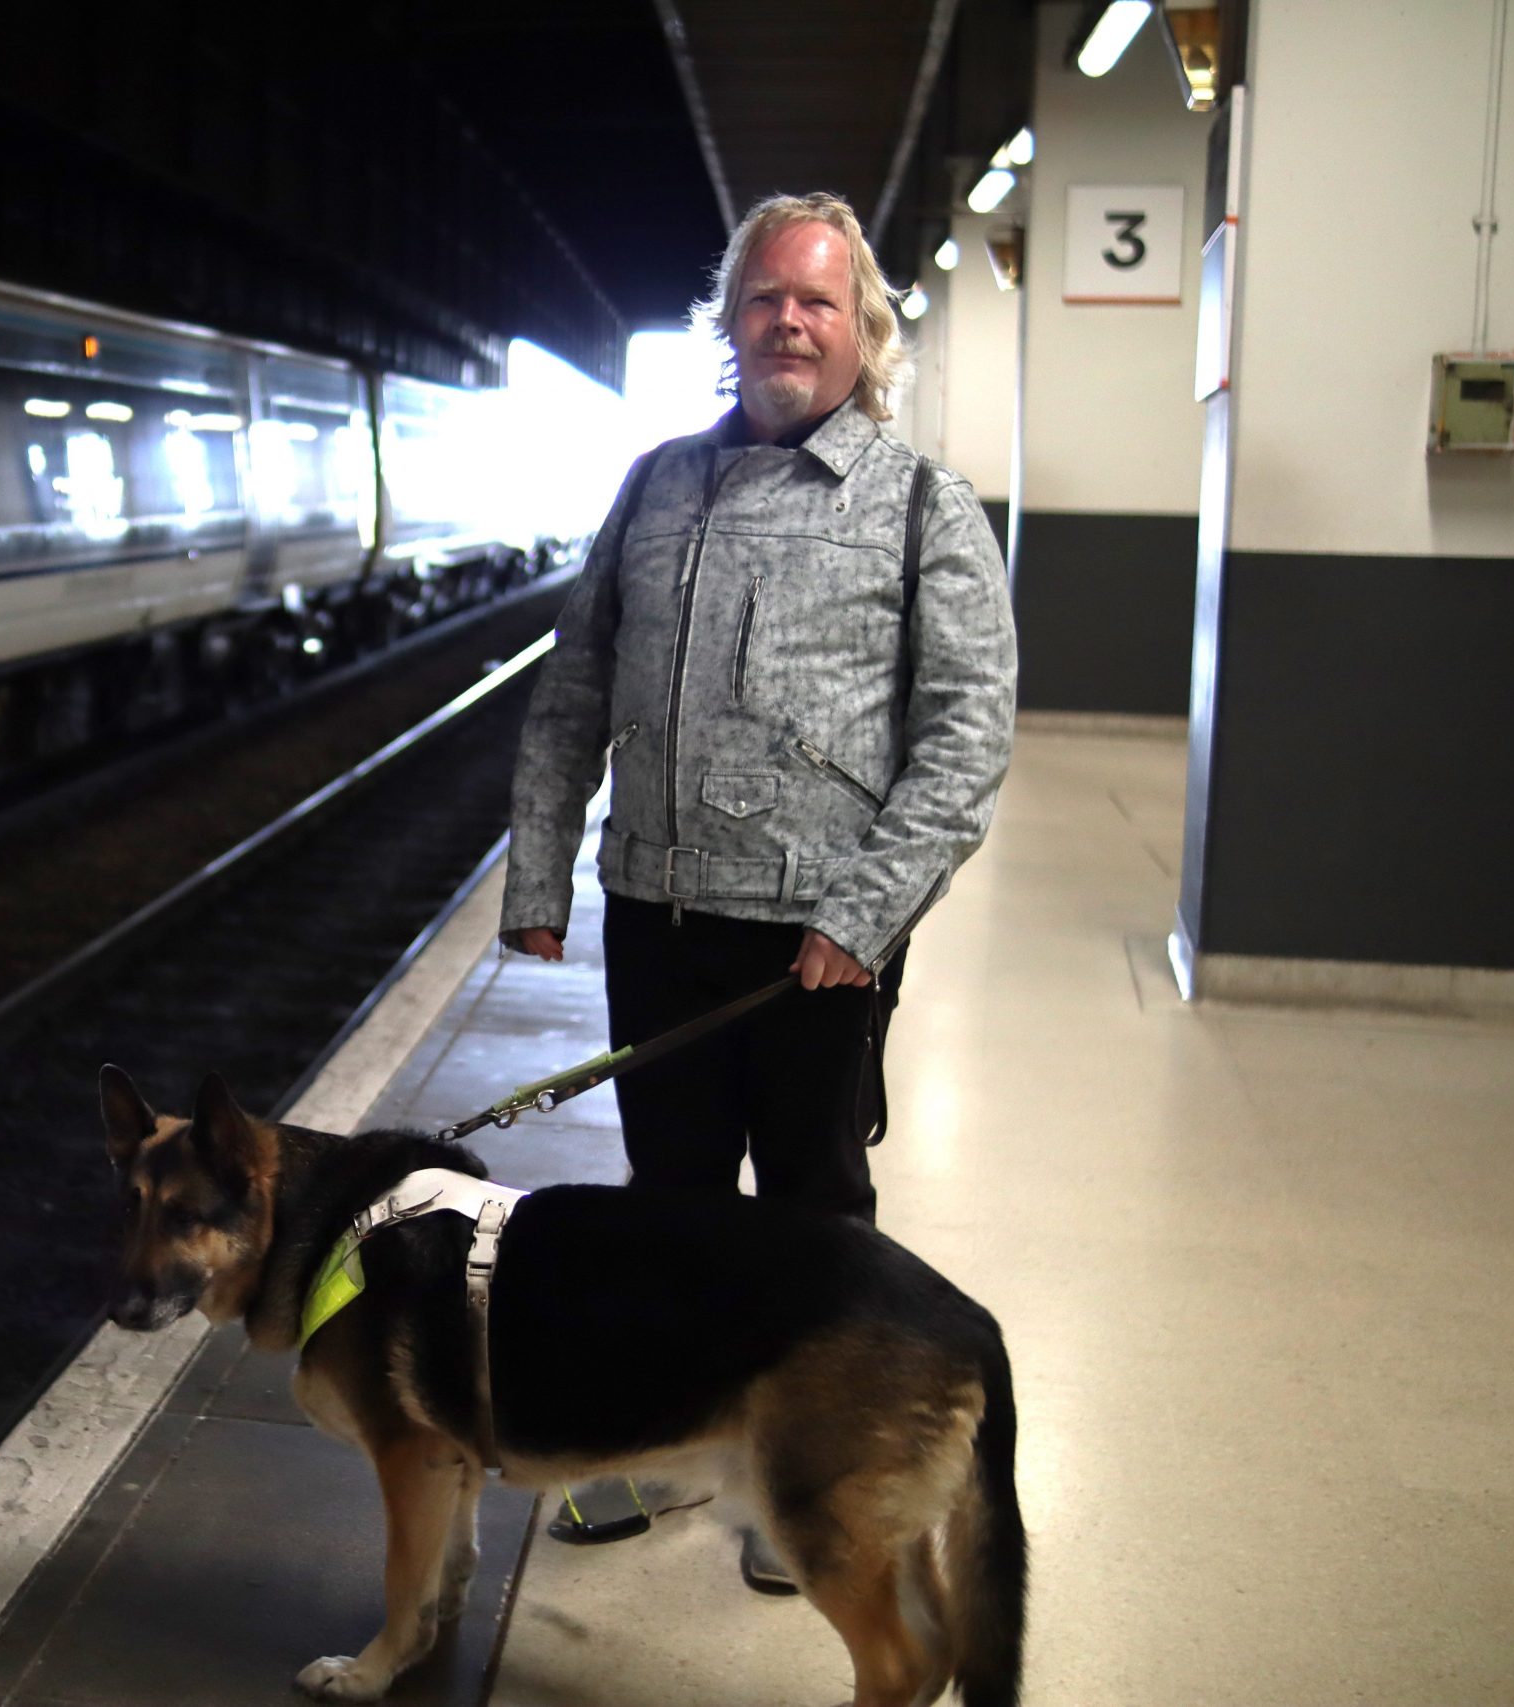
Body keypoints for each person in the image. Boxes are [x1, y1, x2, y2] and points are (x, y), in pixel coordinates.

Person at [500, 193, 1018, 1586]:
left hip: (813, 944)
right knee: (666, 1205)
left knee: (807, 1214)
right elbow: (569, 700)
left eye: (820, 302)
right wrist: (540, 872)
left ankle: (815, 1473)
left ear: (865, 333)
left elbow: (968, 737)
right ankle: (671, 1450)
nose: (790, 321)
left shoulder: (924, 507)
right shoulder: (657, 483)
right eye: (764, 298)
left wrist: (869, 911)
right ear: (727, 323)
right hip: (658, 910)